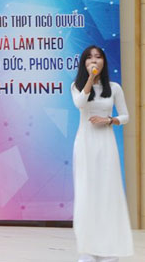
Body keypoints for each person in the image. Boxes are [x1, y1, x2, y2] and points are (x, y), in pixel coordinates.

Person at [71, 45, 133, 261]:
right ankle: (87, 249)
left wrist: (108, 120)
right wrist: (90, 79)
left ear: (104, 62)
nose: (94, 61)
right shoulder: (77, 86)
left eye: (98, 57)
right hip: (85, 144)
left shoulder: (114, 88)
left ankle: (109, 249)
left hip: (106, 145)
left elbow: (125, 116)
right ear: (84, 63)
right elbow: (80, 103)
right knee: (86, 193)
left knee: (107, 193)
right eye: (89, 58)